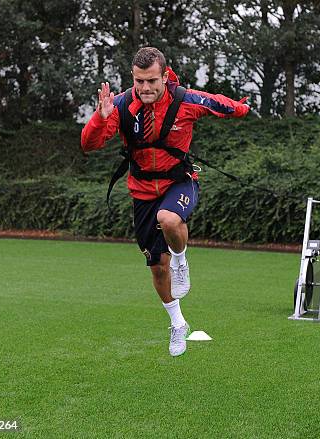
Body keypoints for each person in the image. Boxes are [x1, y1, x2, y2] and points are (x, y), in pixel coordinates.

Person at [81, 47, 250, 357]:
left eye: (152, 81)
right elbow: (88, 144)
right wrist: (99, 118)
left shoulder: (184, 100)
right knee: (158, 269)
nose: (145, 88)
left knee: (169, 218)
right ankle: (177, 323)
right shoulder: (119, 106)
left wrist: (241, 109)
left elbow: (218, 103)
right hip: (142, 190)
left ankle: (181, 261)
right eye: (139, 81)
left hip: (179, 182)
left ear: (164, 76)